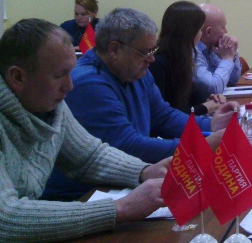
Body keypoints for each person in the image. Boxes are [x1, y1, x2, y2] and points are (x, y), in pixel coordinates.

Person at [0, 18, 169, 242]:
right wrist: (119, 209)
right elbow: (6, 218)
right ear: (18, 77)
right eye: (59, 75)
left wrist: (143, 171)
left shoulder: (51, 105)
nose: (70, 86)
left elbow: (89, 156)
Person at [43, 8, 234, 201]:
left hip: (121, 183)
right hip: (83, 196)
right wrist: (198, 145)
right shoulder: (88, 82)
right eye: (145, 52)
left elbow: (164, 117)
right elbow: (128, 145)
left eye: (153, 50)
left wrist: (211, 125)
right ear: (114, 49)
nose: (152, 59)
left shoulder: (136, 71)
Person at [149, 1, 226, 115]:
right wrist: (205, 107)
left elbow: (192, 95)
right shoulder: (157, 64)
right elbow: (166, 115)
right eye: (200, 30)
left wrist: (211, 99)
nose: (201, 35)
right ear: (189, 33)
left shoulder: (181, 58)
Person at [192, 3, 242, 101]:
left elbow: (233, 80)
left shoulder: (213, 46)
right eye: (223, 27)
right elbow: (213, 88)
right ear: (209, 32)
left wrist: (233, 53)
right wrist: (227, 59)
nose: (226, 31)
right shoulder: (193, 52)